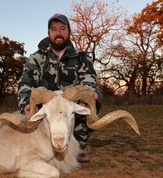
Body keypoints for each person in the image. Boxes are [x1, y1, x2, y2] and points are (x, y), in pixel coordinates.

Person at [17, 13, 103, 163]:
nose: (58, 33)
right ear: (48, 33)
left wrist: (85, 95)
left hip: (71, 106)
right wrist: (26, 105)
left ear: (69, 31)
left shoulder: (82, 57)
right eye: (54, 29)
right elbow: (26, 83)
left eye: (62, 28)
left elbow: (88, 79)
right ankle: (43, 145)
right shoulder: (36, 58)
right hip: (46, 108)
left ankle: (76, 146)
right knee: (31, 107)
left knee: (97, 96)